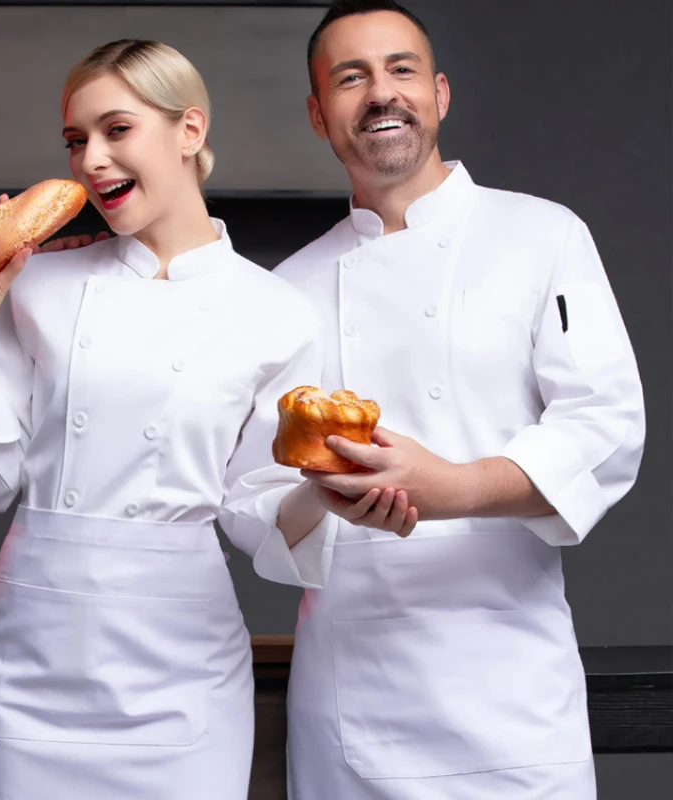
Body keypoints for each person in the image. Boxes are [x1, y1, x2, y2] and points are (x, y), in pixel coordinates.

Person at [0, 37, 410, 800]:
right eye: (77, 141)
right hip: (34, 657)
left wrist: (333, 490)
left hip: (180, 665)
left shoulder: (273, 312)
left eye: (117, 130)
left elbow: (255, 506)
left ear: (189, 130)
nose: (92, 161)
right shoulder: (39, 283)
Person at [267, 2, 645, 799]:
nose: (380, 93)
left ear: (439, 93)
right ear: (317, 114)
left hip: (511, 696)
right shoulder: (284, 292)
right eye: (350, 77)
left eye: (401, 69)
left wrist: (458, 487)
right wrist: (322, 494)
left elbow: (606, 425)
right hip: (353, 703)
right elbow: (246, 492)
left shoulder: (544, 236)